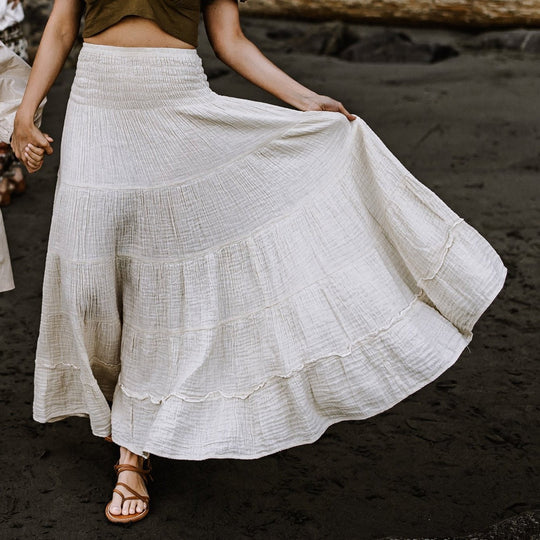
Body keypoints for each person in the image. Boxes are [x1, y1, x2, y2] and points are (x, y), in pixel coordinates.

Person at [11, 0, 507, 525]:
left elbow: (230, 39)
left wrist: (304, 98)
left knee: (159, 277)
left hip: (175, 103)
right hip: (96, 102)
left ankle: (132, 453)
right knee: (88, 278)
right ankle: (127, 409)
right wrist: (26, 112)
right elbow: (64, 22)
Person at [0, 0, 29, 206]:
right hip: (13, 34)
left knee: (9, 110)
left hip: (6, 40)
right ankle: (12, 174)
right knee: (12, 108)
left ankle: (4, 180)